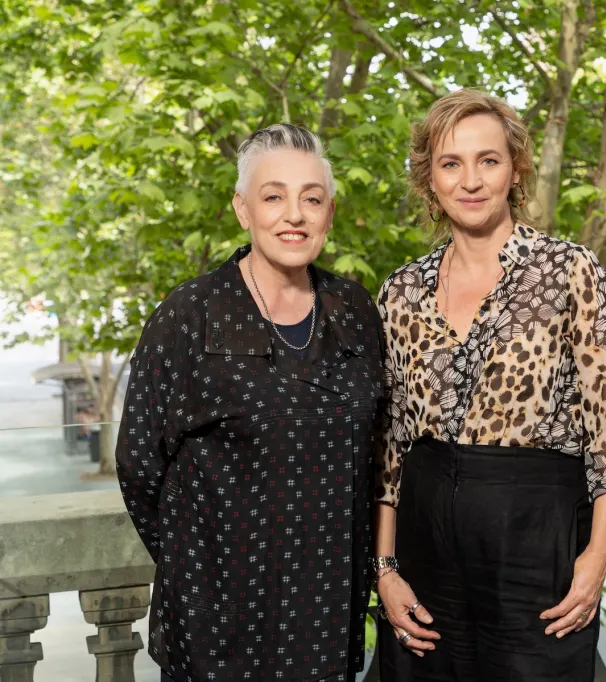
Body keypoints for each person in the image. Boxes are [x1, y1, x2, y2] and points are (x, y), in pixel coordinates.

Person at [373, 89, 606, 681]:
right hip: (425, 550)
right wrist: (385, 569)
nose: (470, 180)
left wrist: (596, 560)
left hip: (535, 542)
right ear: (430, 179)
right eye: (451, 163)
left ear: (515, 169)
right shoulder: (400, 292)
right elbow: (389, 448)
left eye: (488, 160)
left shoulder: (569, 270)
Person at [116, 123, 383, 682]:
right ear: (243, 209)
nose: (295, 214)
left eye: (312, 199)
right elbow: (139, 464)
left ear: (329, 214)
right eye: (273, 196)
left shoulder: (354, 309)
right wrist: (201, 566)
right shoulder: (191, 314)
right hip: (217, 620)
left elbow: (378, 454)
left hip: (326, 615)